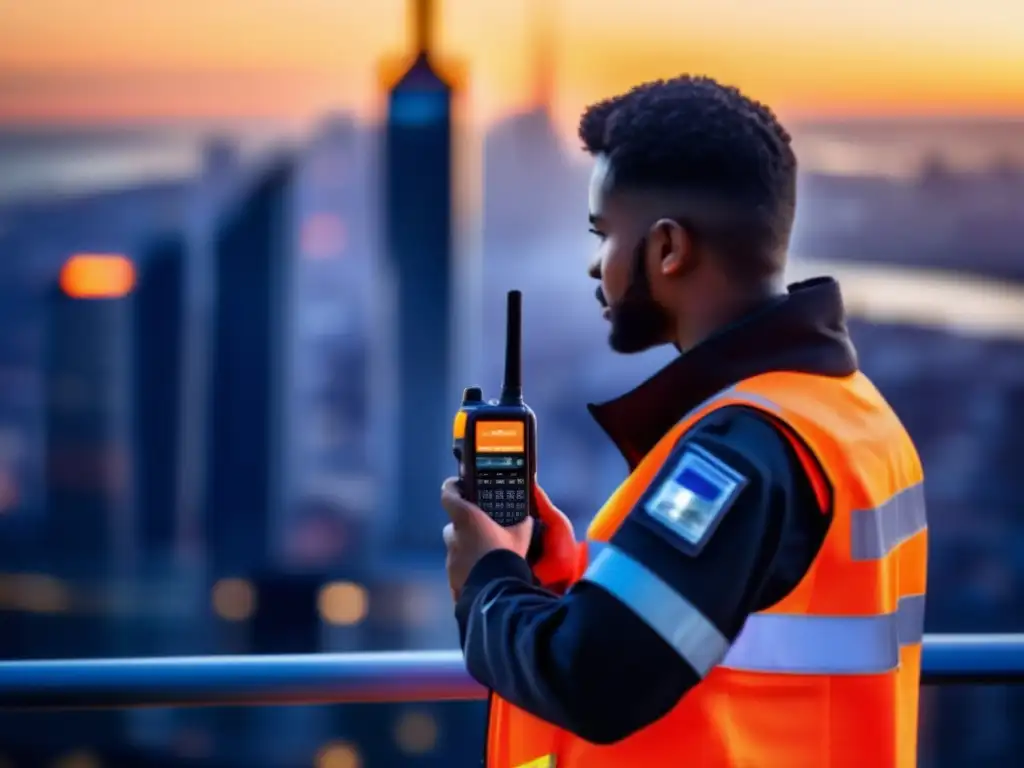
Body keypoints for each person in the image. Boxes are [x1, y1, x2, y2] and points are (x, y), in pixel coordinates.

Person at [441, 75, 927, 768]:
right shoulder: (853, 415)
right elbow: (727, 615)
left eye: (604, 234)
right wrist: (549, 574)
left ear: (668, 249)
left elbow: (597, 678)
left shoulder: (739, 452)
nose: (594, 266)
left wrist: (486, 581)